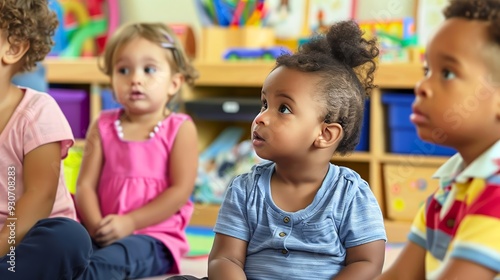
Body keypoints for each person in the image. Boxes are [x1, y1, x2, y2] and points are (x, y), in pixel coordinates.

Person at [169, 20, 387, 280]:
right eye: (264, 104)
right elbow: (224, 257)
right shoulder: (245, 189)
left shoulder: (351, 194)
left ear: (325, 134)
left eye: (283, 108)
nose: (261, 118)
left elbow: (367, 262)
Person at [377, 0, 500, 279]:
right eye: (426, 71)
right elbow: (400, 276)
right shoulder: (448, 191)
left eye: (447, 73)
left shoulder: (496, 193)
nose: (421, 86)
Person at [74, 22, 199, 279]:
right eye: (123, 70)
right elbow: (85, 185)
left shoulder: (179, 128)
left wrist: (130, 222)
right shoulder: (104, 124)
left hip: (153, 237)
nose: (135, 79)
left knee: (102, 266)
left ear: (174, 83)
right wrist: (97, 224)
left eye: (149, 69)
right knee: (64, 248)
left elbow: (179, 192)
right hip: (101, 229)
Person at [0, 0, 92, 279]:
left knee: (69, 237)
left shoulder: (38, 113)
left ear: (13, 48)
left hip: (29, 235)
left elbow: (40, 197)